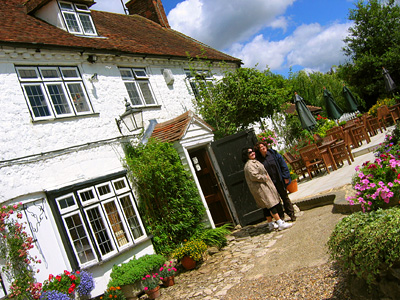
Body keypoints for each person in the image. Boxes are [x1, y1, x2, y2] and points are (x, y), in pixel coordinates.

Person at [242, 147, 292, 231]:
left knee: (265, 206)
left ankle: (270, 224)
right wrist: (264, 177)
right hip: (260, 187)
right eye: (250, 152)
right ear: (246, 155)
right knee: (270, 204)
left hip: (261, 186)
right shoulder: (249, 165)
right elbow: (254, 176)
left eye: (253, 151)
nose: (252, 153)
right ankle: (280, 222)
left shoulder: (253, 162)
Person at [254, 141, 297, 222]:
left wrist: (286, 176)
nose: (263, 148)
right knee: (276, 201)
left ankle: (291, 214)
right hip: (269, 183)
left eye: (264, 146)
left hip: (279, 180)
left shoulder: (273, 154)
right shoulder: (258, 160)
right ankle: (281, 217)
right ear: (258, 150)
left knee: (285, 197)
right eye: (261, 147)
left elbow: (283, 165)